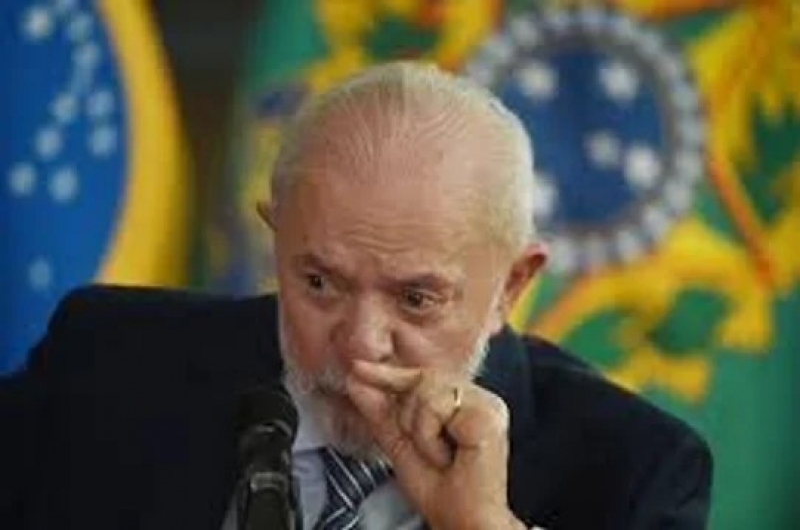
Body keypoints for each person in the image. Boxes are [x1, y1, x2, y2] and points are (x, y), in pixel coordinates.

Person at [1, 62, 712, 530]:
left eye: (417, 299)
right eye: (320, 283)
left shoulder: (633, 472)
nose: (361, 343)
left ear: (512, 285)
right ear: (276, 237)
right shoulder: (107, 360)